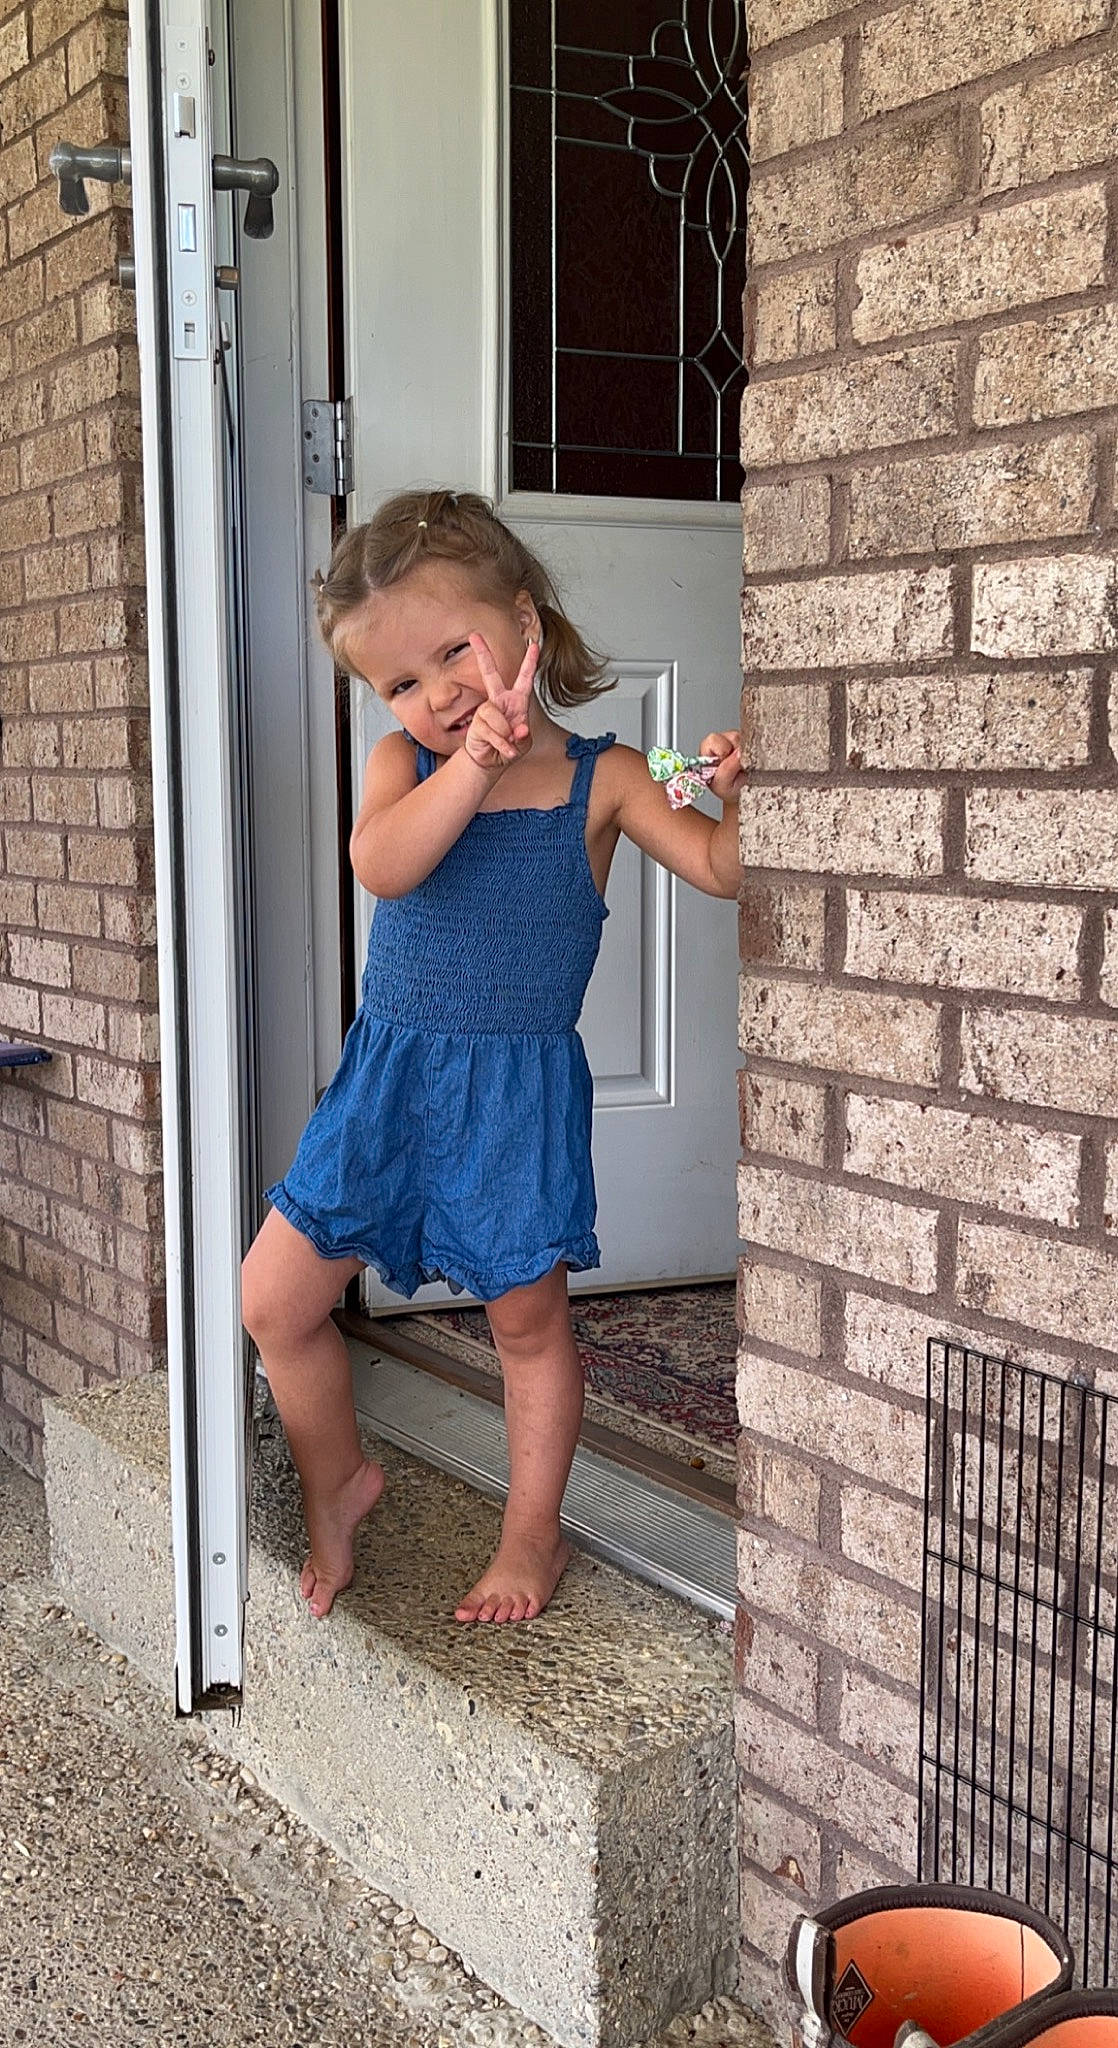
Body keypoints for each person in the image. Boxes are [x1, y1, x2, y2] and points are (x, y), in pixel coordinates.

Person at [241, 488, 744, 1627]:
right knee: (271, 1297)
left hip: (513, 1096)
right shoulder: (401, 767)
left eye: (451, 652)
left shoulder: (611, 774)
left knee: (526, 1328)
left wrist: (738, 789)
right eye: (399, 682)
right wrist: (464, 760)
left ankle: (531, 1532)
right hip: (390, 1081)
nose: (433, 694)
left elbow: (719, 865)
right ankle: (340, 1482)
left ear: (522, 618)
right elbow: (383, 866)